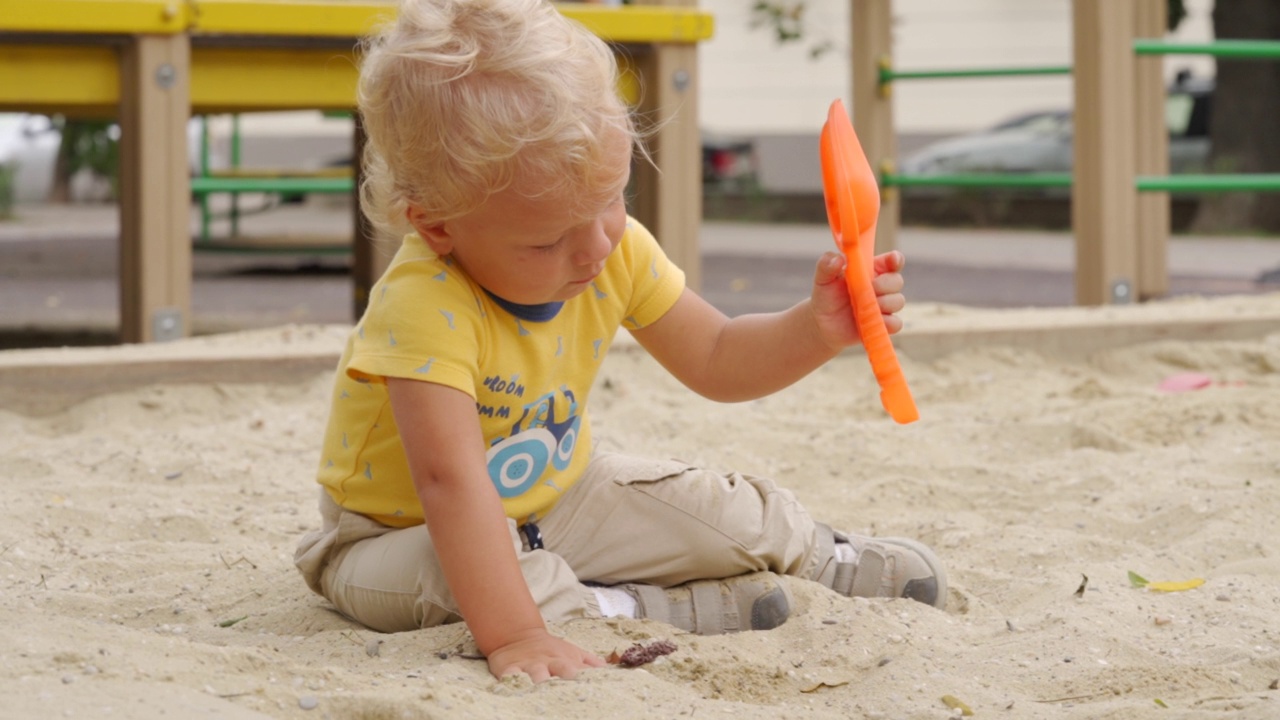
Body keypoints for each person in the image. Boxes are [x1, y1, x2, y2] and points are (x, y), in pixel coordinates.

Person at [294, 0, 946, 684]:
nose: (596, 246)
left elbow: (718, 358)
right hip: (392, 535)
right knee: (466, 578)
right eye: (548, 239)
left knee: (717, 511)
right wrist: (516, 636)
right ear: (437, 228)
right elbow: (449, 484)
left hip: (562, 495)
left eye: (613, 198)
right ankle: (628, 608)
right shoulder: (422, 306)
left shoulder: (613, 250)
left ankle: (816, 557)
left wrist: (815, 329)